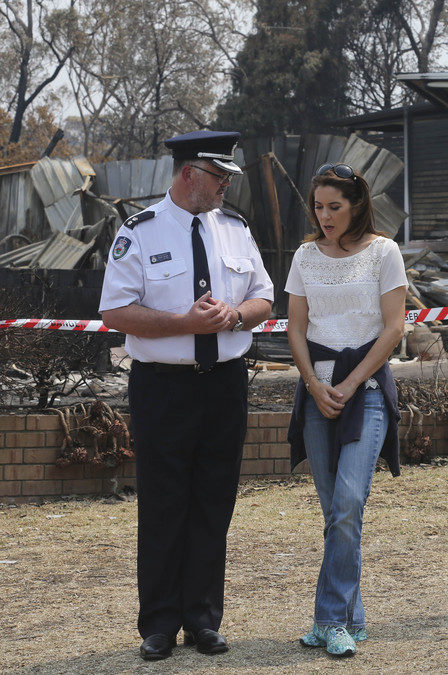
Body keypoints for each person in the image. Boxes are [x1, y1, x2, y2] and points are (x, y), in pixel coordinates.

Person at [99, 130, 274, 661]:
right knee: (163, 504)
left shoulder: (237, 230)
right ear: (188, 174)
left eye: (227, 178)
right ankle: (158, 623)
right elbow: (115, 312)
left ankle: (202, 618)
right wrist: (184, 322)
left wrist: (236, 315)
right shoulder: (139, 232)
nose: (225, 186)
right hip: (164, 387)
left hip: (223, 384)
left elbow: (265, 295)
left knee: (213, 502)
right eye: (218, 176)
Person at [285, 163, 407, 656]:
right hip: (317, 391)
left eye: (335, 206)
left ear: (357, 204)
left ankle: (329, 621)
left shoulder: (384, 251)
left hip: (368, 389)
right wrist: (314, 384)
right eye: (318, 207)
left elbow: (394, 327)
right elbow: (295, 327)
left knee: (348, 504)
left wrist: (353, 383)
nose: (325, 215)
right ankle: (350, 617)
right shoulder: (304, 256)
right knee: (334, 511)